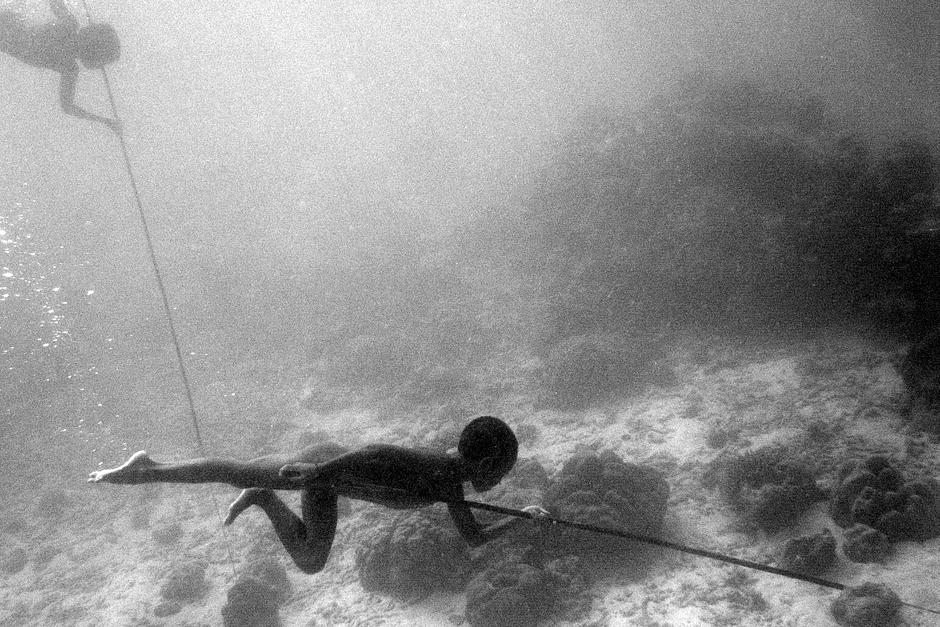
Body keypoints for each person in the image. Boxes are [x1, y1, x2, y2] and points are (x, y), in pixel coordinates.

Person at [88, 415, 548, 573]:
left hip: (331, 478)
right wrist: (318, 471)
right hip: (324, 467)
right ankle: (145, 469)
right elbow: (374, 451)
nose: (503, 481)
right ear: (485, 465)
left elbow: (475, 539)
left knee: (310, 560)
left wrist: (522, 518)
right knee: (232, 471)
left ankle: (262, 498)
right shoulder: (444, 474)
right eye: (503, 472)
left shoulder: (453, 482)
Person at [0, 0, 120, 132]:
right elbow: (67, 107)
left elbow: (55, 2)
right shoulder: (69, 68)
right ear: (95, 59)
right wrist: (106, 121)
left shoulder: (70, 24)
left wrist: (106, 121)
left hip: (7, 24)